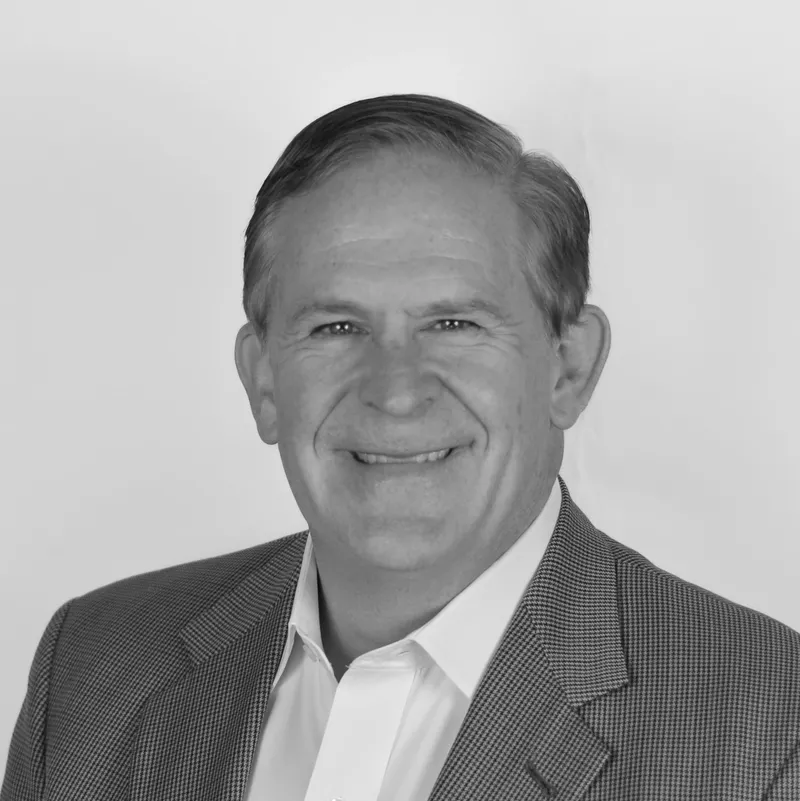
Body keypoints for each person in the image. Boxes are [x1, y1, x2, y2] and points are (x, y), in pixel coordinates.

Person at [3, 93, 799, 801]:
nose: (395, 390)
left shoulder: (767, 733)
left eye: (454, 323)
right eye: (335, 327)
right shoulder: (92, 670)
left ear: (569, 366)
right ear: (265, 381)